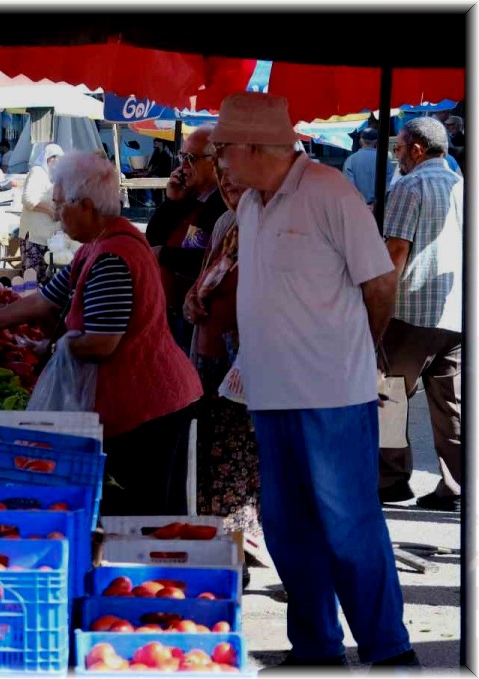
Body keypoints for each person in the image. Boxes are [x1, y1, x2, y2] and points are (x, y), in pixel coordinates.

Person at [211, 92, 415, 669]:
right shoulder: (252, 202)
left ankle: (388, 650)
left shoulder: (329, 190)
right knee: (287, 527)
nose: (220, 160)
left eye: (224, 148)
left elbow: (380, 282)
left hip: (331, 394)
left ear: (254, 146)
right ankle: (316, 648)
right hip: (270, 394)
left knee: (348, 526)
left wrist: (358, 349)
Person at [0, 152, 202, 516]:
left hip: (147, 405)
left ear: (87, 206)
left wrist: (57, 344)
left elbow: (102, 343)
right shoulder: (100, 244)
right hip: (147, 399)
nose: (57, 213)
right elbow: (42, 302)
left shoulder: (113, 257)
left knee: (140, 515)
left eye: (61, 205)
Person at [377, 116, 463, 512]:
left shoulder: (410, 185)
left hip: (411, 310)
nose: (397, 157)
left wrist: (378, 304)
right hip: (457, 312)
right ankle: (457, 485)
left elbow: (396, 251)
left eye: (399, 149)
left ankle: (392, 480)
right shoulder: (463, 186)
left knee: (390, 395)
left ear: (416, 150)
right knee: (452, 406)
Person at [181, 161, 261, 538]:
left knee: (236, 455)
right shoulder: (225, 225)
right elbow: (200, 281)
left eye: (237, 177)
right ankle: (218, 539)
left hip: (245, 362)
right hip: (209, 355)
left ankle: (236, 543)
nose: (228, 183)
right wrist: (191, 300)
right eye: (223, 175)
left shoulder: (267, 229)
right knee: (210, 450)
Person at [145, 125, 227, 350]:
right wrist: (171, 200)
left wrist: (165, 255)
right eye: (182, 156)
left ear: (215, 160)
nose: (183, 166)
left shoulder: (223, 203)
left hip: (196, 314)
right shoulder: (188, 196)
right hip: (169, 310)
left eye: (191, 158)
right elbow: (154, 237)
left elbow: (207, 260)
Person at [18, 143, 64, 282]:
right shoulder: (37, 172)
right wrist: (50, 211)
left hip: (47, 237)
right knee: (33, 280)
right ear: (50, 159)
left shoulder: (52, 177)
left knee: (45, 281)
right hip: (34, 236)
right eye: (59, 160)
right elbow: (28, 199)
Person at [343, 128, 394, 206]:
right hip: (379, 209)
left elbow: (349, 187)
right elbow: (390, 184)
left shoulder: (350, 160)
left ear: (361, 141)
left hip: (359, 207)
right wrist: (374, 204)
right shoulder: (385, 160)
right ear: (376, 142)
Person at [145, 137, 176, 206]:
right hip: (157, 174)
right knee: (156, 189)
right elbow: (152, 163)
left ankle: (164, 203)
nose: (155, 143)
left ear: (161, 142)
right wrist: (150, 170)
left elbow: (165, 165)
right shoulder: (156, 152)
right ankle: (156, 202)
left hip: (165, 174)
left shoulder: (167, 153)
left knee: (165, 190)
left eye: (156, 142)